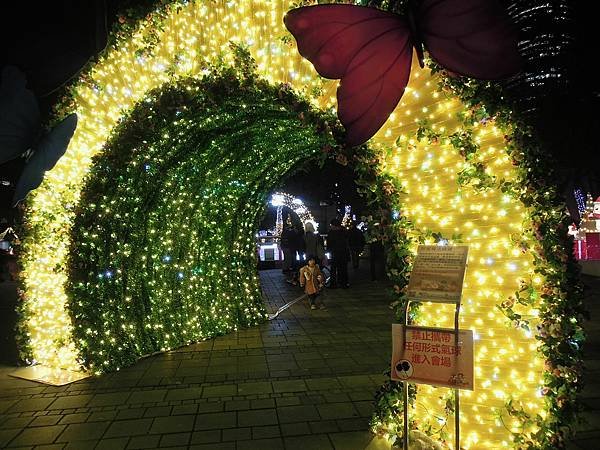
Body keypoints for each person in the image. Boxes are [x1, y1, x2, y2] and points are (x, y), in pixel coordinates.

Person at [326, 218, 350, 288]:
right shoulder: (344, 232)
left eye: (331, 225)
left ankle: (333, 284)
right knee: (343, 269)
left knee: (333, 269)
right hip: (343, 253)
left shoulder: (331, 233)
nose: (331, 226)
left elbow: (329, 245)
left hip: (335, 253)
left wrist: (328, 252)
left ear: (334, 225)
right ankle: (343, 283)